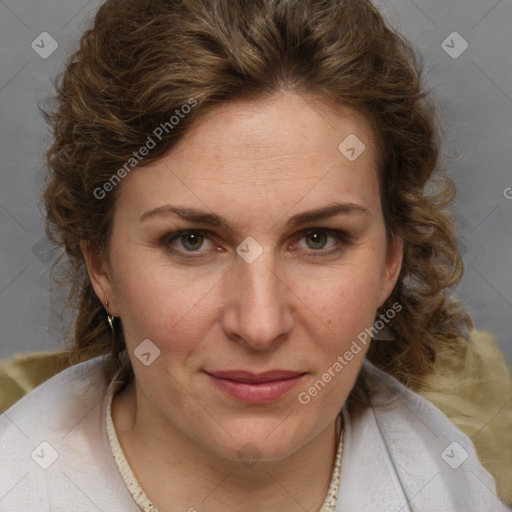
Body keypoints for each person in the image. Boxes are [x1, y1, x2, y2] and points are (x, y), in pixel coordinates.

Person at [0, 0, 510, 510]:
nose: (260, 325)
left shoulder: (452, 485)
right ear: (102, 267)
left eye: (318, 238)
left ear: (390, 262)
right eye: (191, 241)